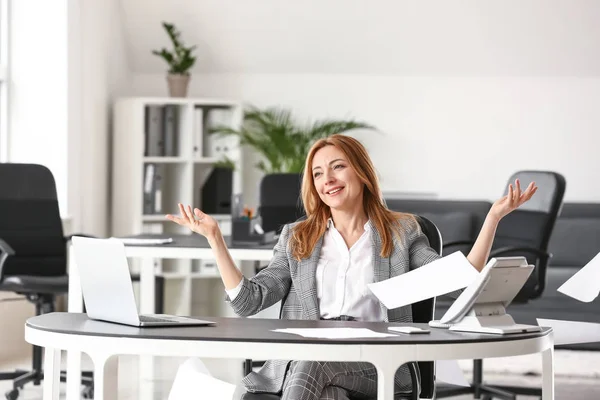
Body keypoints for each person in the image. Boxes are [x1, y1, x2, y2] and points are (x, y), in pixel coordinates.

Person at [166, 134, 538, 400]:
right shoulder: (297, 236)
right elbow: (249, 302)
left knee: (314, 368)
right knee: (323, 387)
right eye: (317, 173)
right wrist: (215, 238)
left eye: (338, 167)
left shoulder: (403, 231)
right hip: (304, 356)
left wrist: (492, 219)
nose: (327, 179)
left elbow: (457, 281)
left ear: (360, 172)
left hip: (375, 361)